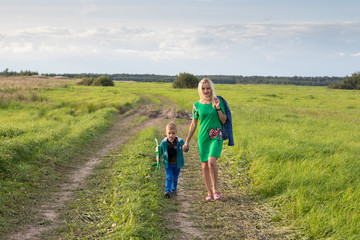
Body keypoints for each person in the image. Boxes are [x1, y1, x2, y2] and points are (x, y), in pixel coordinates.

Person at [183, 78, 227, 201]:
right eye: (203, 88)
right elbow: (193, 124)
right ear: (200, 90)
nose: (206, 90)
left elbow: (223, 120)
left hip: (216, 136)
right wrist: (187, 140)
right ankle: (209, 193)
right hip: (203, 138)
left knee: (211, 161)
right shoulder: (196, 105)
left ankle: (215, 190)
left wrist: (218, 108)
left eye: (208, 88)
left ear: (211, 88)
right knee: (204, 166)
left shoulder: (218, 101)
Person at [157, 122, 186, 198]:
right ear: (166, 133)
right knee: (169, 176)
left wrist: (185, 148)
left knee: (175, 177)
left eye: (173, 133)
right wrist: (158, 157)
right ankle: (167, 191)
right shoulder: (164, 142)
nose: (171, 135)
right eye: (169, 133)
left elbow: (185, 148)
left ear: (176, 133)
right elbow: (161, 151)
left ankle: (173, 189)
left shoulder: (180, 141)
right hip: (168, 163)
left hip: (177, 163)